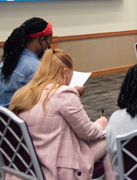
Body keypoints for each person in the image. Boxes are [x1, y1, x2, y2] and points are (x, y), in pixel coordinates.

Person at [8, 49, 114, 180]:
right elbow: (88, 133)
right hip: (56, 167)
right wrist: (101, 125)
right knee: (111, 137)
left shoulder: (22, 94)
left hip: (25, 165)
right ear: (65, 72)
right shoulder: (63, 94)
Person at [0, 17, 54, 107]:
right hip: (17, 118)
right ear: (42, 40)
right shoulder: (35, 67)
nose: (48, 48)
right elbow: (44, 99)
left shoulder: (8, 59)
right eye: (49, 43)